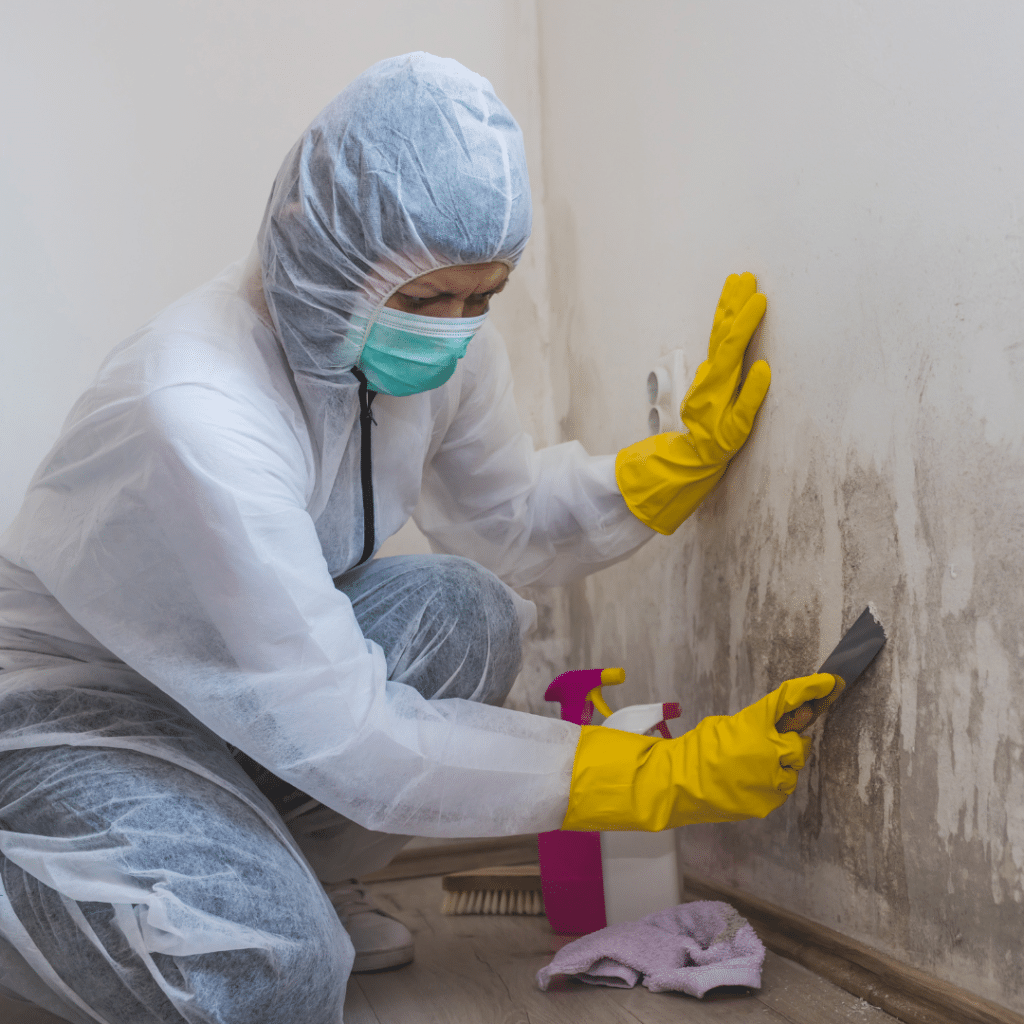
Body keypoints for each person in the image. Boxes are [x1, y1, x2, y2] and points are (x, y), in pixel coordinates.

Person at [0, 52, 833, 1024]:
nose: (455, 330)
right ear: (320, 250)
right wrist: (648, 774)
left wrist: (669, 467)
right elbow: (344, 732)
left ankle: (281, 871)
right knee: (273, 972)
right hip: (79, 715)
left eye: (483, 297)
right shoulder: (196, 407)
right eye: (429, 301)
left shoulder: (438, 344)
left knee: (465, 610)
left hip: (241, 698)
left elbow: (507, 520)